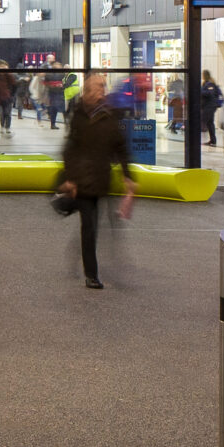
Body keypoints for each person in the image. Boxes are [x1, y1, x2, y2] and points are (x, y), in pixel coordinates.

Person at [57, 73, 138, 288]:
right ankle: (91, 275)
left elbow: (120, 147)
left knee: (95, 224)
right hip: (83, 181)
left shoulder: (109, 116)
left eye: (103, 86)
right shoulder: (78, 116)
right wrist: (70, 178)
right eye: (98, 87)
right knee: (89, 226)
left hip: (101, 180)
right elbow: (70, 150)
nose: (102, 90)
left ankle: (83, 255)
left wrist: (127, 175)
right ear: (88, 91)